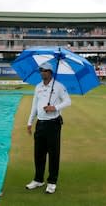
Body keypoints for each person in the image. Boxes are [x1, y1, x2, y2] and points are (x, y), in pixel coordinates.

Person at [25, 62, 71, 194]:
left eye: (44, 70)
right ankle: (38, 179)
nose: (42, 72)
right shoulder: (38, 87)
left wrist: (54, 107)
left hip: (53, 124)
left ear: (50, 72)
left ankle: (52, 182)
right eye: (40, 70)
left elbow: (68, 101)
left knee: (53, 154)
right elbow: (34, 105)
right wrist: (30, 122)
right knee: (38, 154)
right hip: (40, 123)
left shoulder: (59, 86)